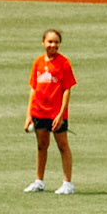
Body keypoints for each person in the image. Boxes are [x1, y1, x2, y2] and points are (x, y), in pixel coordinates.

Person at [23, 28, 76, 194]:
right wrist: (29, 115)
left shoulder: (64, 63)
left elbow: (67, 89)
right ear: (43, 43)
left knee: (62, 146)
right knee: (42, 146)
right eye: (50, 41)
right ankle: (39, 181)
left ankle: (68, 183)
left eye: (56, 42)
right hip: (39, 111)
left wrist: (61, 114)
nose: (53, 45)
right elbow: (33, 89)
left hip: (56, 114)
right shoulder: (38, 62)